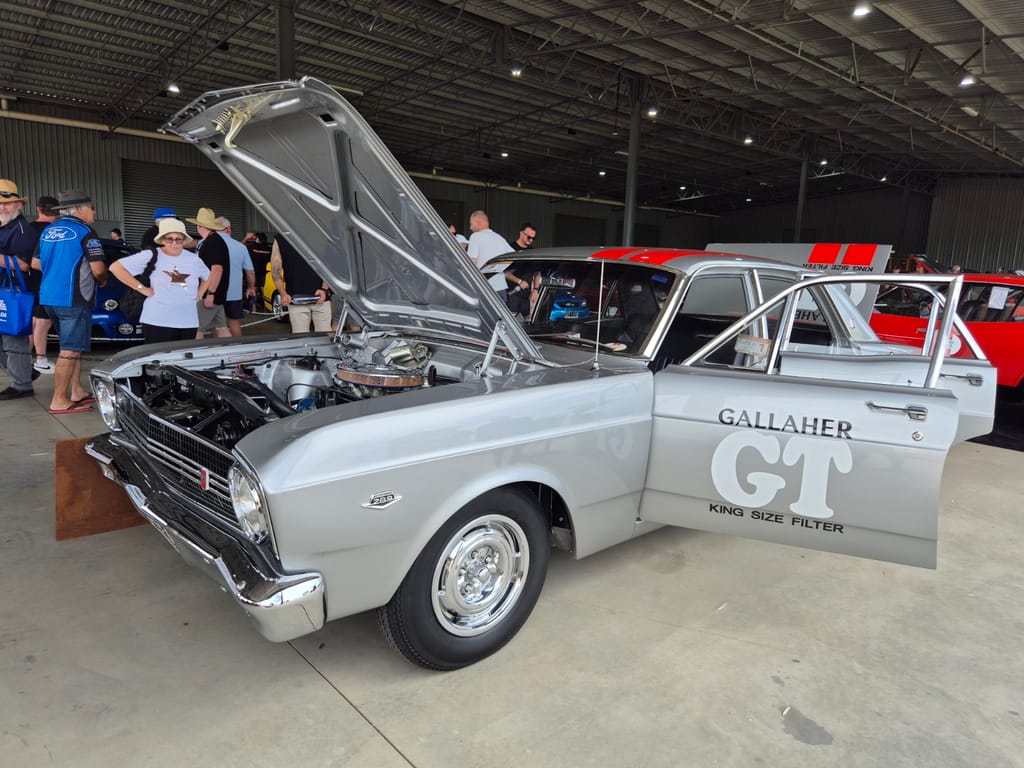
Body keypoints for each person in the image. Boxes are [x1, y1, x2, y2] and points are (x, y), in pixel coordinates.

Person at [32, 189, 108, 415]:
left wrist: (57, 271)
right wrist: (102, 281)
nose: (94, 211)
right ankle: (58, 400)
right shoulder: (85, 231)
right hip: (74, 298)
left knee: (73, 345)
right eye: (91, 207)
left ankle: (76, 391)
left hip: (49, 297)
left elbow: (36, 263)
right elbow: (98, 268)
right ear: (80, 209)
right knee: (69, 350)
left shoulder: (48, 230)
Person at [108, 219, 210, 344]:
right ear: (162, 240)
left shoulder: (194, 259)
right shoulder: (150, 255)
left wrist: (199, 294)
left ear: (184, 240)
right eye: (169, 239)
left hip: (188, 321)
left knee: (181, 361)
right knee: (157, 360)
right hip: (157, 321)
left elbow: (208, 276)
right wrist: (141, 288)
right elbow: (116, 268)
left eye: (179, 239)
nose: (174, 242)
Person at [0, 179, 41, 401]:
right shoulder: (4, 226)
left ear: (19, 205)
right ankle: (25, 372)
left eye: (7, 203)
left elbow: (24, 264)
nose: (2, 207)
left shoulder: (22, 230)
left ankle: (22, 384)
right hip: (3, 291)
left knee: (12, 338)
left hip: (14, 292)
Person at [270, 234, 332, 333]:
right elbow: (275, 270)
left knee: (304, 339)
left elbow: (275, 270)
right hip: (303, 298)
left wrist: (283, 293)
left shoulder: (322, 233)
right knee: (321, 339)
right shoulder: (322, 233)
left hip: (314, 298)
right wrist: (283, 293)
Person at [185, 207, 231, 339]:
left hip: (209, 293)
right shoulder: (215, 241)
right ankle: (234, 358)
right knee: (222, 329)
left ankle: (197, 357)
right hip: (218, 293)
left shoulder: (212, 243)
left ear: (199, 226)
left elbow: (217, 269)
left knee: (196, 329)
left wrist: (210, 293)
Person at [467, 210, 528, 302]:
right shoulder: (499, 238)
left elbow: (472, 263)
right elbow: (516, 260)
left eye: (471, 224)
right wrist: (501, 270)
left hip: (484, 289)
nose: (470, 227)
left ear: (478, 222)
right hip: (501, 290)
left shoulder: (476, 236)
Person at [29, 195, 59, 374]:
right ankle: (40, 359)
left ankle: (23, 360)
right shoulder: (56, 231)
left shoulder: (27, 229)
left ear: (38, 209)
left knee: (33, 323)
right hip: (47, 282)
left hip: (27, 281)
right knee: (42, 323)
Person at [215, 216, 256, 337]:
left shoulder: (205, 244)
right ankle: (237, 347)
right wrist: (251, 287)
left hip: (214, 293)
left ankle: (219, 351)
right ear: (228, 229)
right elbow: (250, 271)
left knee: (217, 325)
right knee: (234, 322)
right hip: (234, 293)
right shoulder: (241, 247)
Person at [243, 231, 273, 298]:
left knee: (253, 295)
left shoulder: (251, 247)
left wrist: (247, 238)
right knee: (266, 296)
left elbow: (240, 246)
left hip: (254, 274)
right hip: (265, 274)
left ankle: (253, 308)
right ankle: (266, 308)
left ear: (257, 239)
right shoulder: (270, 249)